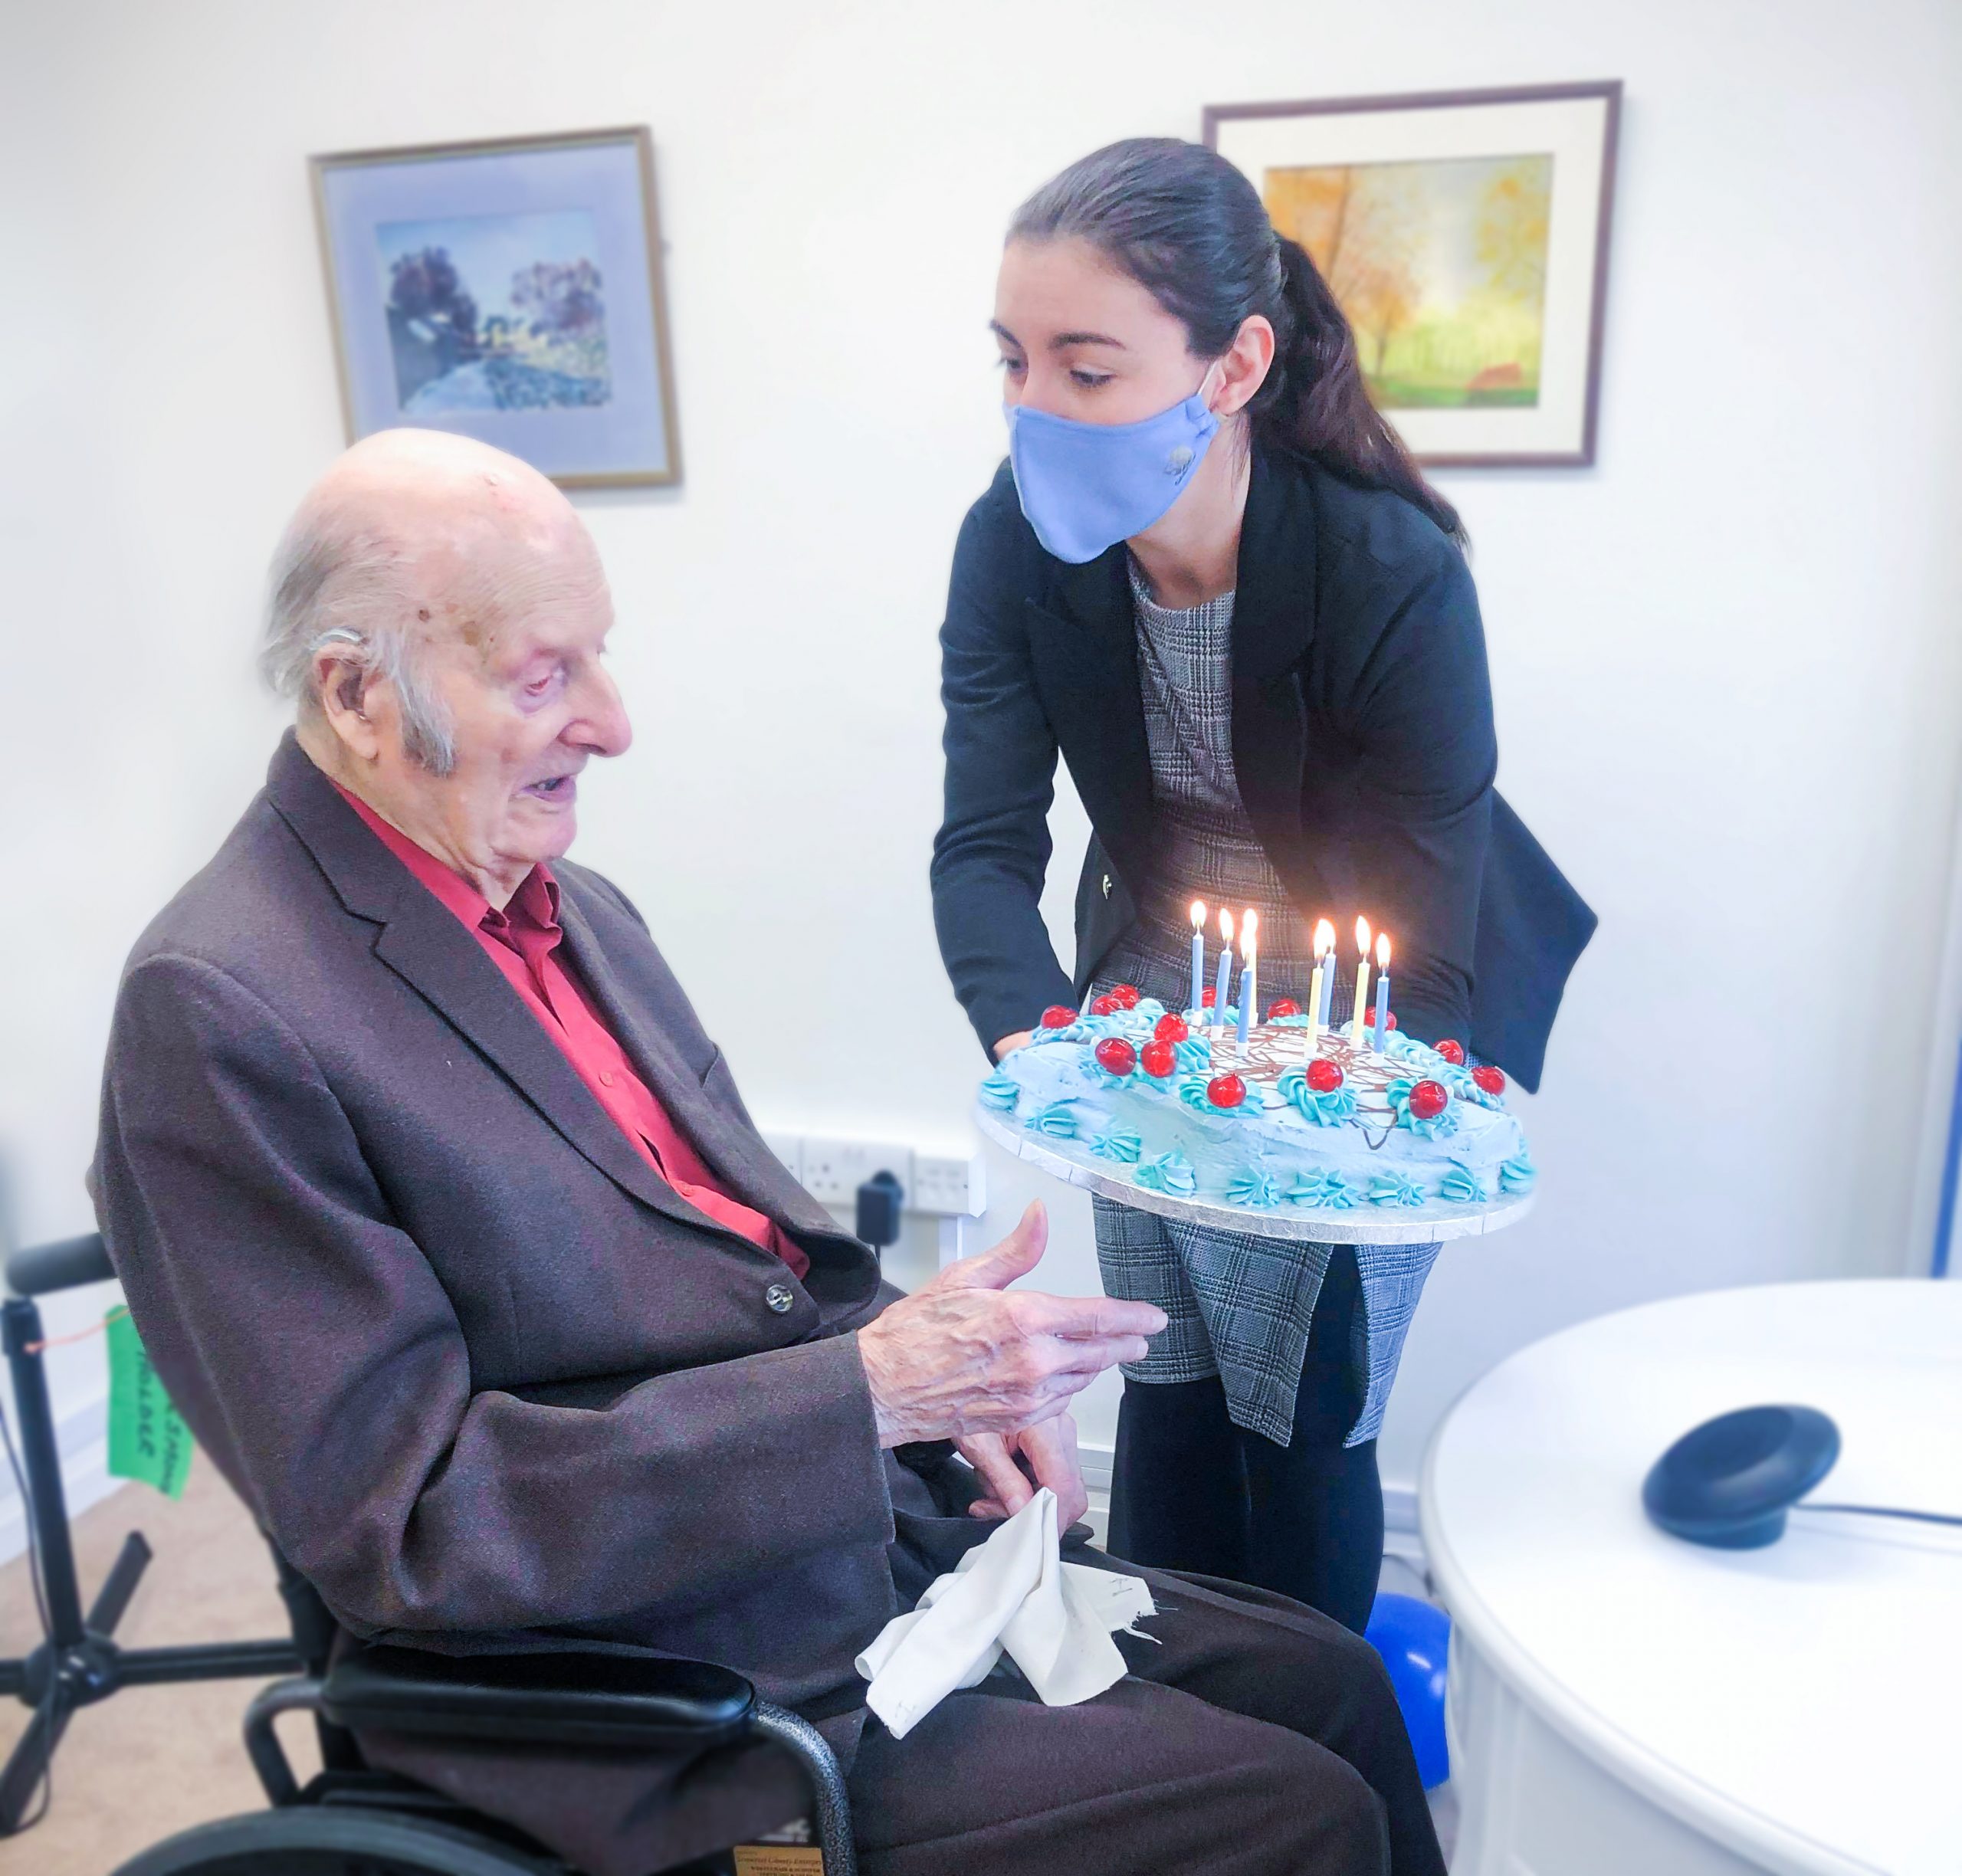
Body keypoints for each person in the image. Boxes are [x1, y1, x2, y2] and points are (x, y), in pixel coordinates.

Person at [91, 428, 1448, 1876]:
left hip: (837, 1549)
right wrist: (864, 1397)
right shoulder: (222, 1013)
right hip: (647, 1697)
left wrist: (937, 1370)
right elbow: (410, 1523)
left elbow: (752, 1265)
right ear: (358, 695)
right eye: (545, 675)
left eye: (598, 657)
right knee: (1299, 1821)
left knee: (1336, 1683)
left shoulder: (575, 909)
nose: (612, 722)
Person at [931, 139, 1596, 1632]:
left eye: (1086, 369)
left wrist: (1312, 1123)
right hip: (1155, 1000)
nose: (1034, 408)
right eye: (1012, 360)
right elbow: (982, 847)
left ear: (1231, 366)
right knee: (1164, 1386)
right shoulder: (1015, 545)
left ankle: (1310, 1758)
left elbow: (1418, 939)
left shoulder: (1384, 571)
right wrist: (1051, 1050)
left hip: (1378, 1026)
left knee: (1296, 1413)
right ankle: (1188, 1749)